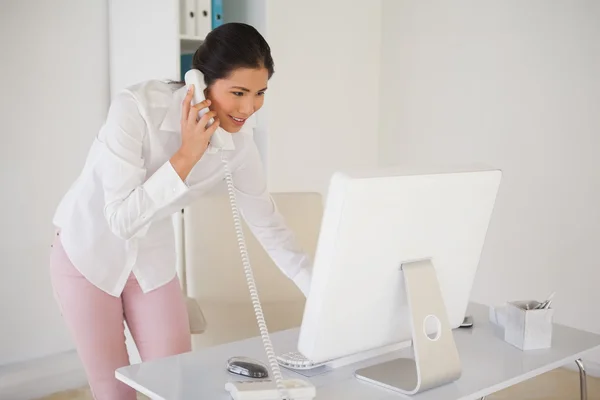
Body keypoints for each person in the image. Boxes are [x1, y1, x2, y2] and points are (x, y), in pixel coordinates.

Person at [49, 22, 313, 400]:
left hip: (151, 259)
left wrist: (318, 293)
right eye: (238, 92)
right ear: (202, 84)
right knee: (114, 391)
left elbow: (268, 224)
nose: (249, 108)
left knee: (176, 385)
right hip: (87, 254)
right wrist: (186, 156)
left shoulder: (239, 145)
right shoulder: (135, 109)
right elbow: (120, 220)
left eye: (260, 93)